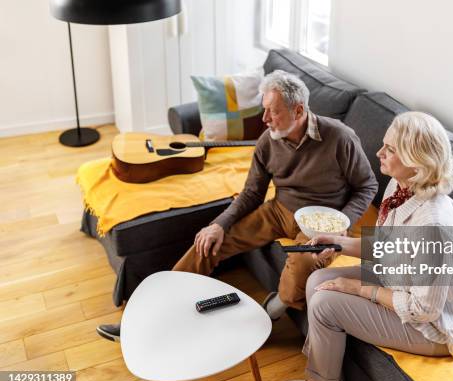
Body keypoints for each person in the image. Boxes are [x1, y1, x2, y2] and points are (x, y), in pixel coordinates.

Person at [96, 70, 378, 342]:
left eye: (273, 111)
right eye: (264, 109)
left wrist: (340, 223)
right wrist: (219, 224)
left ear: (299, 111)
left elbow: (367, 185)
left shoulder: (340, 137)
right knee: (207, 243)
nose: (265, 119)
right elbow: (251, 193)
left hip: (323, 222)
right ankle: (151, 315)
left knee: (304, 261)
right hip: (278, 211)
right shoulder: (268, 141)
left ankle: (272, 310)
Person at [281, 112, 453, 381]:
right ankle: (319, 380)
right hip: (401, 282)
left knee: (326, 302)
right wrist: (338, 242)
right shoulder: (401, 186)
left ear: (416, 161)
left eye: (390, 149)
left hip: (439, 325)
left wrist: (358, 288)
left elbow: (424, 309)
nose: (379, 152)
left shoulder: (435, 225)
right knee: (317, 281)